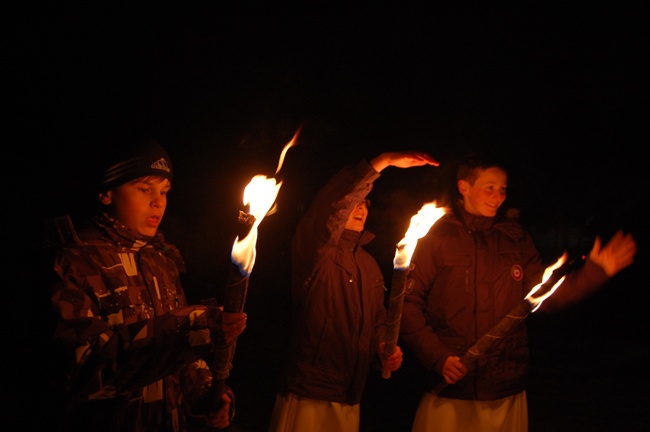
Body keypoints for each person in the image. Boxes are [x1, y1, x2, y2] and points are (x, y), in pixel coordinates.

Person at [399, 152, 637, 432]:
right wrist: (438, 357)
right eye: (490, 188)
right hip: (451, 387)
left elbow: (543, 299)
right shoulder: (435, 237)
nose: (498, 197)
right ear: (464, 186)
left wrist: (595, 274)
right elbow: (407, 304)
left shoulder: (515, 238)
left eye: (503, 190)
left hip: (504, 386)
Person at [44, 131, 247, 431]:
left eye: (164, 191)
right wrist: (188, 327)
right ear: (106, 192)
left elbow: (175, 362)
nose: (158, 202)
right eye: (144, 189)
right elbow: (84, 370)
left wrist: (206, 394)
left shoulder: (161, 261)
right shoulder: (73, 262)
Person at [267, 151, 439, 432]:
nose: (360, 209)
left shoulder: (367, 264)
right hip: (308, 393)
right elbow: (331, 208)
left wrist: (384, 347)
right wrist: (380, 163)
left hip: (350, 394)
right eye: (354, 203)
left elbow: (377, 321)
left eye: (365, 204)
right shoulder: (316, 252)